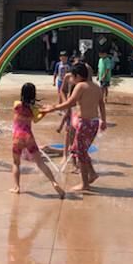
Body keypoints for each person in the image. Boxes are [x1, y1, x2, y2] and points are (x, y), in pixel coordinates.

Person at [43, 63, 106, 192]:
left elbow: (70, 103)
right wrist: (103, 120)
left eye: (72, 76)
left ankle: (85, 184)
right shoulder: (96, 87)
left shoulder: (80, 86)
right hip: (94, 123)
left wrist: (52, 108)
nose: (71, 79)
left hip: (84, 124)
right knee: (81, 150)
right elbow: (101, 104)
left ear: (78, 76)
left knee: (80, 153)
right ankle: (92, 173)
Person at [10, 82, 64, 198]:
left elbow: (19, 108)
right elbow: (36, 120)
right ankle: (53, 182)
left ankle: (17, 187)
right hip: (28, 137)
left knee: (16, 163)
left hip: (17, 138)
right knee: (40, 163)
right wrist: (44, 112)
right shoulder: (33, 109)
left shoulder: (16, 104)